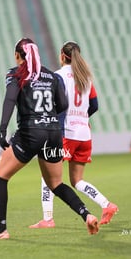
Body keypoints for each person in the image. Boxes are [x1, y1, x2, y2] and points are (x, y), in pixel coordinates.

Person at [0, 38, 99, 240]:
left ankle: (1, 231)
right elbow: (62, 104)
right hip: (53, 134)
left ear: (18, 55)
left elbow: (10, 99)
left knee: (0, 177)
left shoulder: (16, 73)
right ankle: (86, 214)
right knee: (56, 184)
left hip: (29, 133)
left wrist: (2, 130)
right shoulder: (52, 76)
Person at [29, 41, 118, 229]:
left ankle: (48, 218)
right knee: (77, 181)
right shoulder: (86, 77)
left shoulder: (57, 76)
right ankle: (106, 205)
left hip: (65, 133)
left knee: (49, 177)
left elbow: (54, 104)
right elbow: (94, 106)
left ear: (62, 55)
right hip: (84, 134)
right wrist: (82, 118)